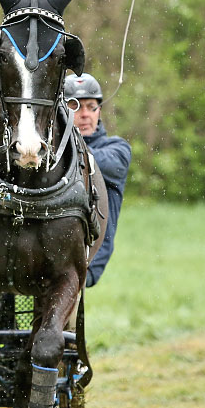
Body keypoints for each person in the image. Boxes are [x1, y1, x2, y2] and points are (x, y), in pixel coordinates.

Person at [64, 73, 132, 287]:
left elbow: (91, 160)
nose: (84, 114)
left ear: (99, 110)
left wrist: (62, 142)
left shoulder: (117, 149)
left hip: (88, 260)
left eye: (91, 106)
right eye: (75, 106)